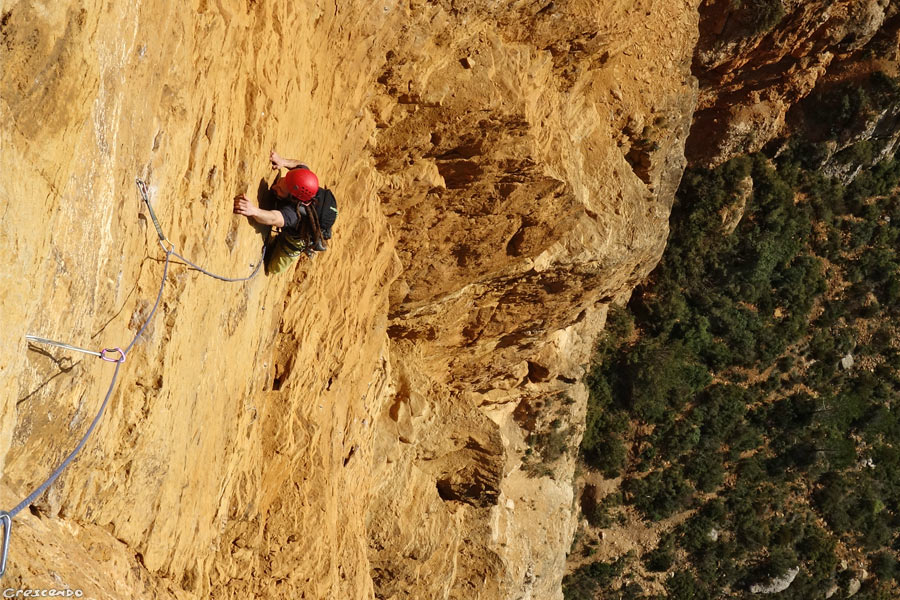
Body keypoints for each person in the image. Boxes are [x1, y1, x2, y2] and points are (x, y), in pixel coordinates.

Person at [233, 151, 328, 274]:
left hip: (297, 237)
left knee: (274, 268)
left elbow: (273, 218)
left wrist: (253, 210)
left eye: (279, 189)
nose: (273, 187)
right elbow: (301, 164)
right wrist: (282, 162)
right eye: (280, 182)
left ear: (293, 197)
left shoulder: (293, 214)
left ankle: (298, 245)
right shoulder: (301, 179)